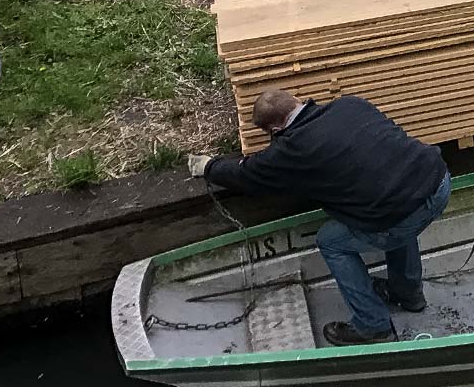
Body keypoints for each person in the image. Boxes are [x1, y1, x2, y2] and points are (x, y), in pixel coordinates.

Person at [189, 89, 450, 346]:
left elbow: (246, 176)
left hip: (399, 212)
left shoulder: (290, 150)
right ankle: (407, 294)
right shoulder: (349, 105)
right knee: (394, 205)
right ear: (297, 102)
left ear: (275, 130)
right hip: (438, 181)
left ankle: (373, 326)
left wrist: (209, 167)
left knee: (333, 241)